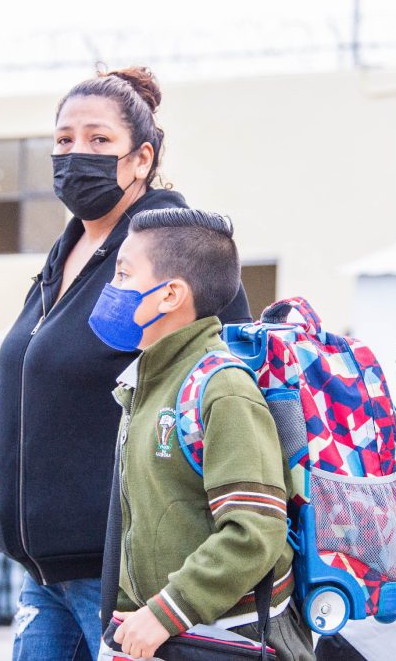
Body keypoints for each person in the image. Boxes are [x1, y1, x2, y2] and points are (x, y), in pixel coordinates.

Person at [0, 66, 251, 660]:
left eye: (99, 140)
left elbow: (225, 376)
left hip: (122, 568)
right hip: (45, 566)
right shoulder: (72, 246)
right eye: (64, 139)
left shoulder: (171, 249)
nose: (76, 153)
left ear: (141, 158)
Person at [97, 209, 311, 660]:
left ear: (170, 294)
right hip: (162, 634)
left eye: (123, 274)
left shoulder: (221, 387)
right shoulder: (148, 381)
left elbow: (254, 530)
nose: (111, 289)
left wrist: (166, 612)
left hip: (223, 638)